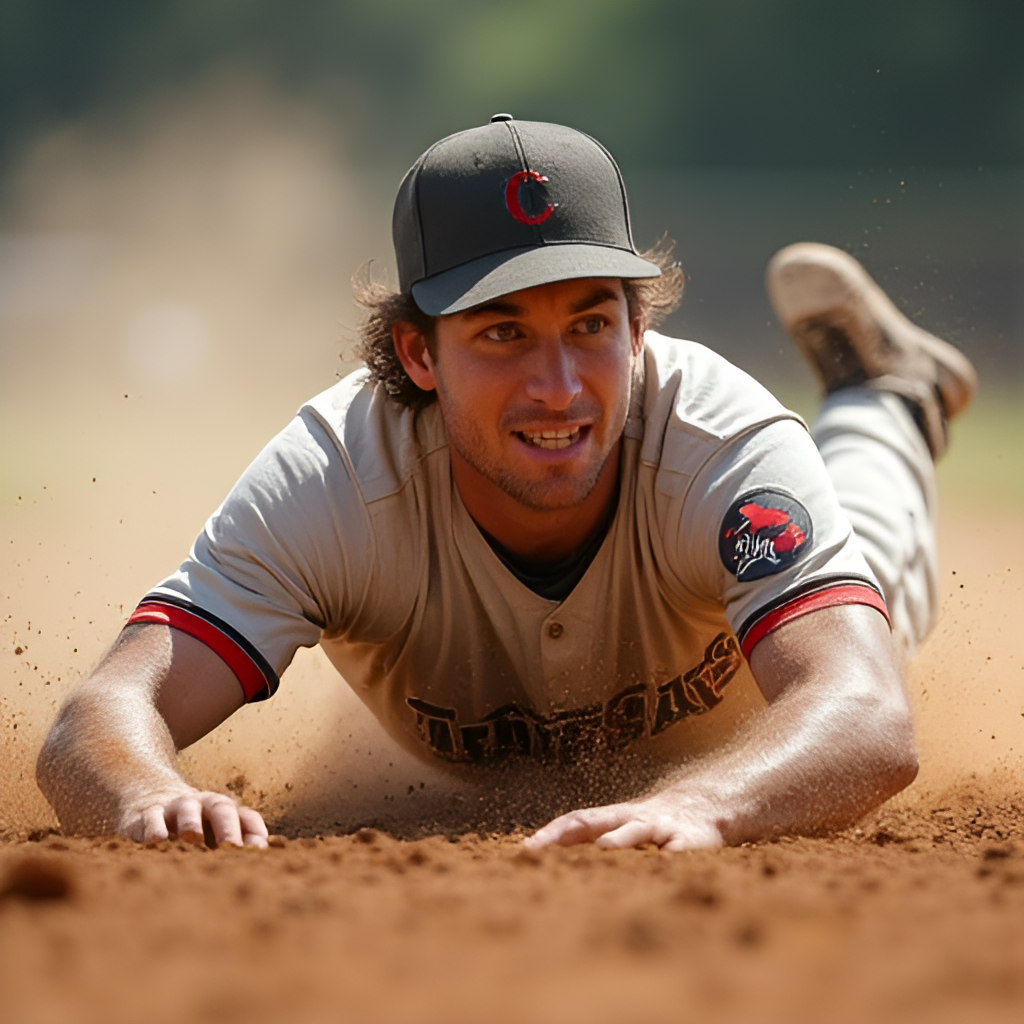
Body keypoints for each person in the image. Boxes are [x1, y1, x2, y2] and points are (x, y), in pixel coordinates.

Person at [37, 115, 976, 851]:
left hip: (749, 718)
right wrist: (148, 792)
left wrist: (708, 800)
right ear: (419, 353)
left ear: (638, 331)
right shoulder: (332, 479)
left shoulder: (718, 441)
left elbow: (867, 715)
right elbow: (103, 715)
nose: (559, 385)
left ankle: (889, 394)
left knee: (872, 567)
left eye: (590, 325)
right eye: (502, 331)